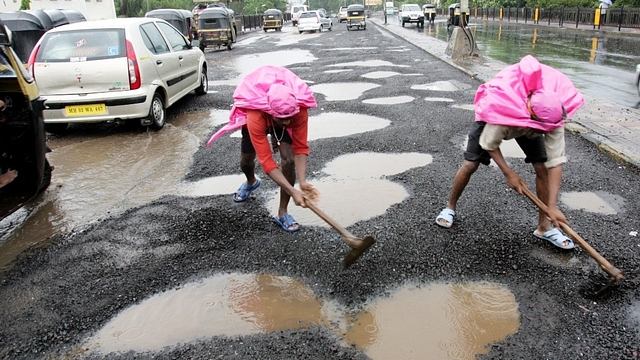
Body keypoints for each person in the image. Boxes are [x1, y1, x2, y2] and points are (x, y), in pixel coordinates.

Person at [435, 55, 585, 250]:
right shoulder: (501, 114)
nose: (544, 134)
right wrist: (509, 173)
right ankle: (449, 207)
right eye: (542, 130)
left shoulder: (553, 115)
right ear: (532, 115)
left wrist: (553, 206)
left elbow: (556, 162)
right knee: (470, 164)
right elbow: (489, 143)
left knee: (542, 168)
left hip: (530, 121)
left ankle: (544, 227)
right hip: (497, 114)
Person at [206, 65, 318, 233]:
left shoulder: (298, 111)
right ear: (270, 113)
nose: (288, 123)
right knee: (246, 161)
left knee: (288, 160)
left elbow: (301, 147)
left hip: (279, 116)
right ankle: (251, 181)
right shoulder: (255, 117)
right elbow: (266, 162)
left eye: (290, 118)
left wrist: (301, 182)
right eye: (283, 119)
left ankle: (283, 212)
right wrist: (293, 190)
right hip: (261, 118)